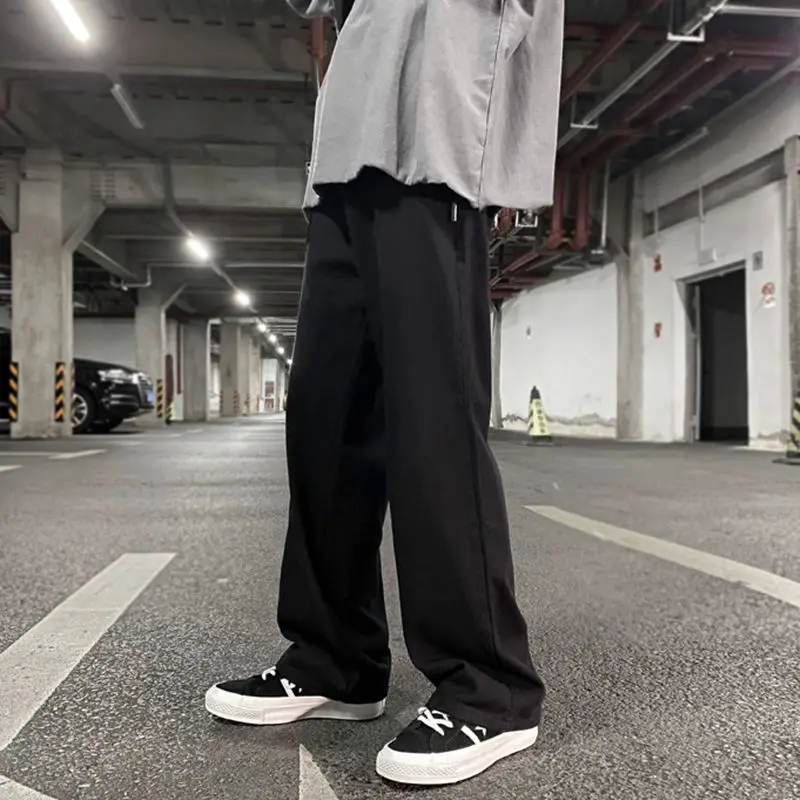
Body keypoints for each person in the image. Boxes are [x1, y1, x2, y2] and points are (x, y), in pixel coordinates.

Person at [206, 0, 564, 786]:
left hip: (438, 128)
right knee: (325, 420)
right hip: (345, 150)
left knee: (434, 421)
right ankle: (335, 659)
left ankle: (491, 686)